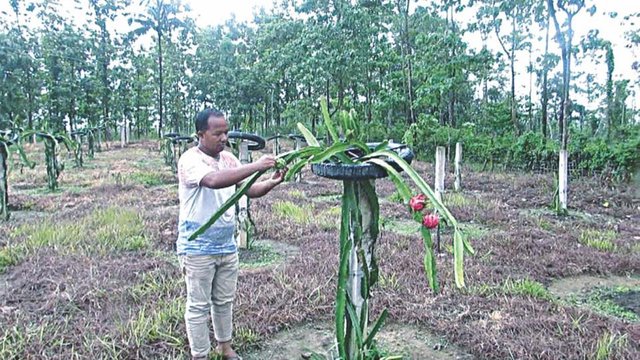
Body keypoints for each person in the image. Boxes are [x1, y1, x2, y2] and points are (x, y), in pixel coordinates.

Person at [176, 108, 285, 360]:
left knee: (224, 302)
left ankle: (225, 347)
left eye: (226, 132)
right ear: (200, 134)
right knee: (198, 306)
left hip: (226, 244)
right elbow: (213, 180)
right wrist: (255, 165)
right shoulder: (189, 160)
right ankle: (199, 355)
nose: (224, 138)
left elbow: (247, 190)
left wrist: (271, 182)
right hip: (197, 247)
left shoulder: (229, 159)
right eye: (217, 133)